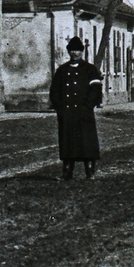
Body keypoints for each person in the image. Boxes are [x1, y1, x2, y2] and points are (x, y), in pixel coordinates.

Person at [50, 36, 103, 179]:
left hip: (83, 113)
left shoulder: (90, 69)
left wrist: (87, 106)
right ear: (68, 52)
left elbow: (96, 90)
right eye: (72, 50)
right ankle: (67, 172)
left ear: (82, 52)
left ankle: (90, 171)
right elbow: (54, 91)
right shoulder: (62, 70)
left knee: (87, 142)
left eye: (78, 50)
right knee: (68, 142)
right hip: (67, 113)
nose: (75, 53)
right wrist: (60, 108)